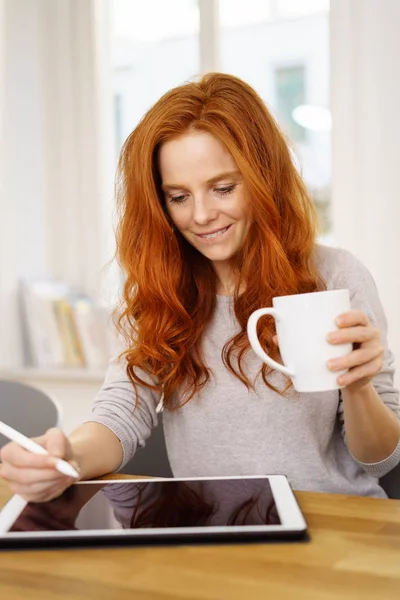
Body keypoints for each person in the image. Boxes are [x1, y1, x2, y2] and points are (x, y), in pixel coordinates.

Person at [1, 73, 399, 502]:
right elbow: (121, 414)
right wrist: (68, 458)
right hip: (216, 528)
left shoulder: (335, 277)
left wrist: (358, 388)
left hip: (336, 527)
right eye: (178, 197)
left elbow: (381, 459)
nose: (202, 215)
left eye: (223, 188)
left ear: (265, 178)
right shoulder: (162, 288)